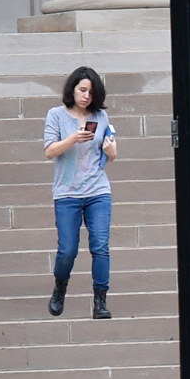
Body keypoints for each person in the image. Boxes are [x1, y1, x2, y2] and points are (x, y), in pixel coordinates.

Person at [43, 66, 118, 319]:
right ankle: (60, 286)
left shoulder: (101, 117)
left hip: (98, 190)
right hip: (67, 193)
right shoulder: (56, 115)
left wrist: (110, 150)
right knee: (67, 250)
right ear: (72, 89)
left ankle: (100, 300)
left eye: (91, 92)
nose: (86, 96)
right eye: (82, 90)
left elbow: (112, 153)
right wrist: (74, 138)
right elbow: (50, 151)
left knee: (100, 247)